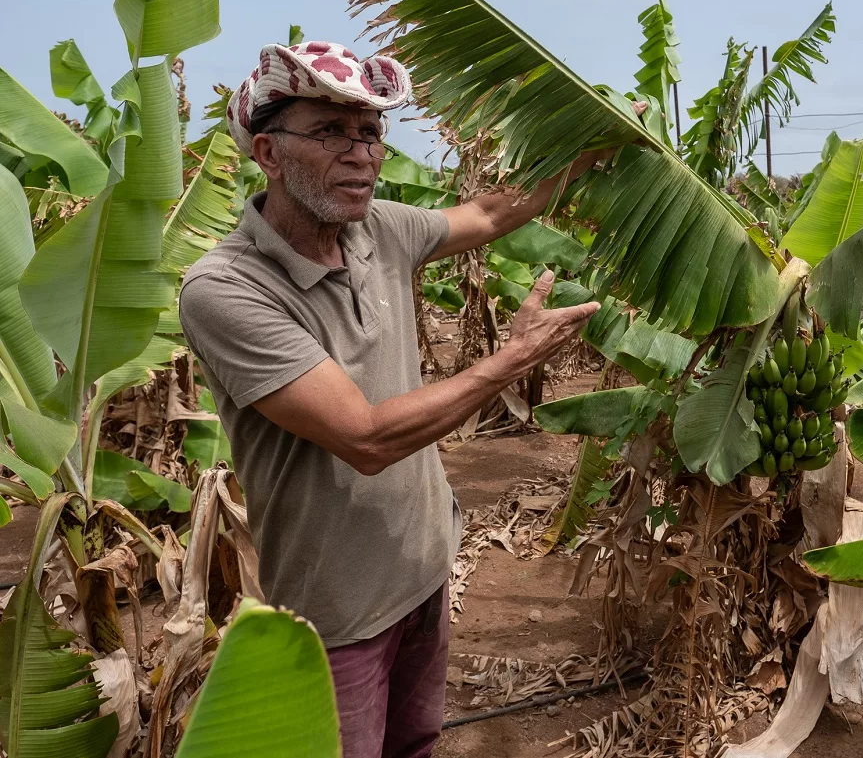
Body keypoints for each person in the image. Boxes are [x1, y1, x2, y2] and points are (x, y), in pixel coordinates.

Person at [178, 41, 628, 758]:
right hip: (338, 610)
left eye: (370, 132)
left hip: (422, 568)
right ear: (267, 151)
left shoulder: (376, 230)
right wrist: (512, 360)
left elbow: (486, 212)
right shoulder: (227, 288)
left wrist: (588, 149)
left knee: (416, 741)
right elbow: (365, 435)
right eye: (330, 131)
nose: (361, 153)